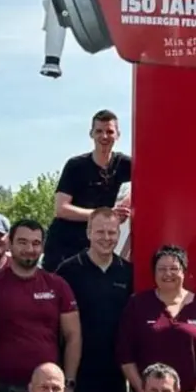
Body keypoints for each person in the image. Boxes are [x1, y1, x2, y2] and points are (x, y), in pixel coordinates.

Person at [0, 219, 81, 392]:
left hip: (48, 388)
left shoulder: (57, 285)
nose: (29, 248)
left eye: (36, 243)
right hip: (3, 389)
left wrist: (68, 384)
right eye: (22, 242)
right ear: (10, 244)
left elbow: (74, 336)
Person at [54, 207, 135, 392]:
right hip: (77, 372)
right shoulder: (68, 271)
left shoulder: (128, 273)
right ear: (89, 232)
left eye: (112, 233)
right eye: (100, 232)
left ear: (119, 235)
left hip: (116, 375)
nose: (106, 238)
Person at [117, 246, 196, 392]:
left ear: (184, 271)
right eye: (162, 269)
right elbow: (125, 354)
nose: (168, 274)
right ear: (154, 272)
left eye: (174, 268)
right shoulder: (138, 304)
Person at [44, 109, 133, 273]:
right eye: (99, 131)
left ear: (118, 135)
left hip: (95, 248)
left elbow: (150, 179)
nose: (104, 136)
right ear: (91, 134)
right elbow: (61, 209)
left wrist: (129, 200)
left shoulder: (125, 164)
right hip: (64, 246)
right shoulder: (75, 166)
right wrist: (104, 215)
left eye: (109, 131)